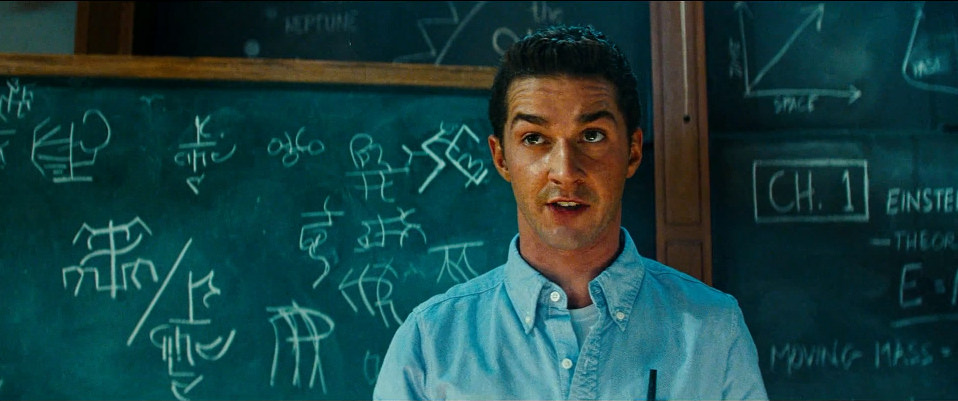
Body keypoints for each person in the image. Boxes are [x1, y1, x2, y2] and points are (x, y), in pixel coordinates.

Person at [373, 24, 767, 400]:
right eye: (534, 138)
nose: (564, 170)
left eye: (592, 136)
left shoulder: (713, 333)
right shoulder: (430, 346)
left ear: (632, 151)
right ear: (501, 157)